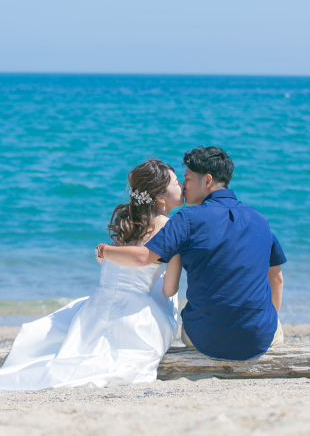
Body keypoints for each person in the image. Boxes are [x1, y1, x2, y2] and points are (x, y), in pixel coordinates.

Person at [0, 159, 184, 390]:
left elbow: (111, 263)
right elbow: (167, 286)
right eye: (177, 183)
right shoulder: (167, 225)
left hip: (95, 308)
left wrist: (104, 252)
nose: (182, 187)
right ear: (160, 197)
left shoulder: (129, 221)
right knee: (166, 300)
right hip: (132, 316)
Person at [95, 146, 286, 360]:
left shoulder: (186, 219)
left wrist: (103, 250)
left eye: (187, 178)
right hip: (257, 339)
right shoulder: (260, 220)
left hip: (204, 338)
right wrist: (267, 320)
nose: (183, 186)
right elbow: (276, 279)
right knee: (272, 323)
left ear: (207, 181)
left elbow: (144, 256)